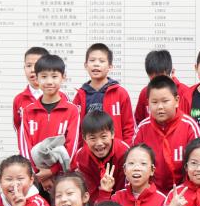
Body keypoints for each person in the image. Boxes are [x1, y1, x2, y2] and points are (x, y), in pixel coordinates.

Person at [16, 53, 81, 187]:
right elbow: (24, 147)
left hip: (63, 176)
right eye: (44, 77)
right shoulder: (28, 111)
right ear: (37, 78)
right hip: (36, 177)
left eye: (54, 76)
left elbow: (72, 146)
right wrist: (39, 174)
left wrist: (51, 171)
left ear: (63, 77)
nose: (49, 82)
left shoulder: (72, 110)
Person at [130, 76, 200, 193]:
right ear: (148, 103)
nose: (160, 107)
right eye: (154, 102)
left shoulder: (189, 127)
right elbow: (133, 164)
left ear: (177, 101)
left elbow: (198, 166)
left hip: (184, 193)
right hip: (150, 194)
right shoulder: (143, 128)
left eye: (165, 101)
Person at [71, 43, 135, 143]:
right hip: (88, 149)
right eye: (92, 60)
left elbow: (129, 127)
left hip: (115, 150)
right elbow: (75, 129)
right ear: (85, 65)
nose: (96, 64)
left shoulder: (120, 93)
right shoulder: (80, 95)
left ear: (110, 66)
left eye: (101, 61)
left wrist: (126, 149)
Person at [70, 110, 128, 203]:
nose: (99, 143)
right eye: (92, 138)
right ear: (84, 138)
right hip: (97, 201)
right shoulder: (81, 157)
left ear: (112, 134)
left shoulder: (124, 152)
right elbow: (91, 192)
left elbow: (125, 188)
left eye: (103, 136)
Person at [133, 50, 191, 125]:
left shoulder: (185, 92)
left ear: (171, 72)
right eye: (154, 80)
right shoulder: (145, 93)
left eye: (162, 79)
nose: (158, 84)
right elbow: (138, 122)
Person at [13, 46, 49, 132]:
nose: (32, 70)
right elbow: (18, 127)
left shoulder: (60, 96)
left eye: (37, 65)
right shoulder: (19, 99)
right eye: (28, 65)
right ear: (24, 68)